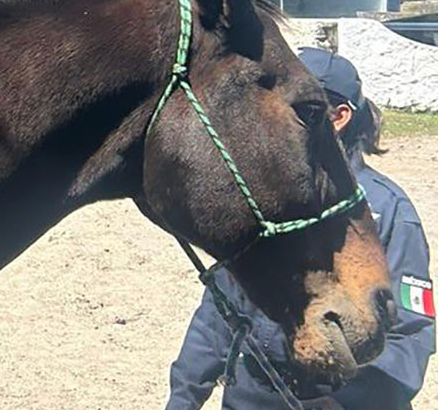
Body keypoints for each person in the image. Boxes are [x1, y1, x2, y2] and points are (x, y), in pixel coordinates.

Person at [165, 47, 434, 410]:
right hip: (253, 396)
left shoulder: (389, 212)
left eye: (297, 109)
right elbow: (219, 309)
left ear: (339, 117)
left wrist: (348, 401)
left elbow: (411, 331)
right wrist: (183, 397)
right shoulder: (260, 200)